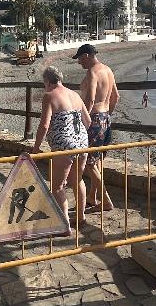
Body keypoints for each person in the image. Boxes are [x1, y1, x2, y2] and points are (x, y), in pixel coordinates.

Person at [30, 66, 91, 228]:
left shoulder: (49, 96)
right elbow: (88, 121)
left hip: (64, 145)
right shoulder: (75, 95)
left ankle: (64, 225)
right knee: (77, 180)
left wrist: (36, 148)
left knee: (57, 187)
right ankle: (80, 217)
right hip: (82, 144)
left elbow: (44, 125)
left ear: (48, 82)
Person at [72, 44, 118, 213]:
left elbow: (90, 101)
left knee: (90, 163)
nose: (79, 63)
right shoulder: (108, 70)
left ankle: (106, 200)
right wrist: (107, 116)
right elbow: (116, 96)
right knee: (96, 161)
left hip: (94, 119)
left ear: (86, 55)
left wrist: (83, 121)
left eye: (79, 58)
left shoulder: (92, 73)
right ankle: (92, 197)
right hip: (105, 118)